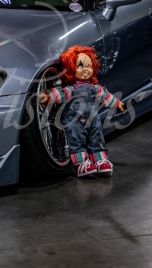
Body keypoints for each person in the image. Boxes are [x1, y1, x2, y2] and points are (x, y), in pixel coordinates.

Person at [38, 46, 126, 178]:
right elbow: (60, 94)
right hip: (74, 121)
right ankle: (81, 164)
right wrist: (48, 96)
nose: (85, 69)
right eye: (80, 66)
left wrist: (118, 105)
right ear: (71, 68)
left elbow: (106, 96)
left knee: (96, 139)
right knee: (76, 140)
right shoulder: (71, 89)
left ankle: (100, 161)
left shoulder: (95, 88)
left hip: (93, 120)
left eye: (89, 66)